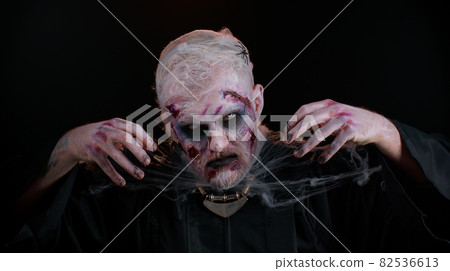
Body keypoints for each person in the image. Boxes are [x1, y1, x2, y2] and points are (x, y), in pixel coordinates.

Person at [3, 28, 450, 252]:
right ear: (165, 123)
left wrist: (388, 134)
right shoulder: (125, 188)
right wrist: (64, 151)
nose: (216, 146)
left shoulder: (326, 171)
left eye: (233, 119)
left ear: (257, 105)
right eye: (192, 128)